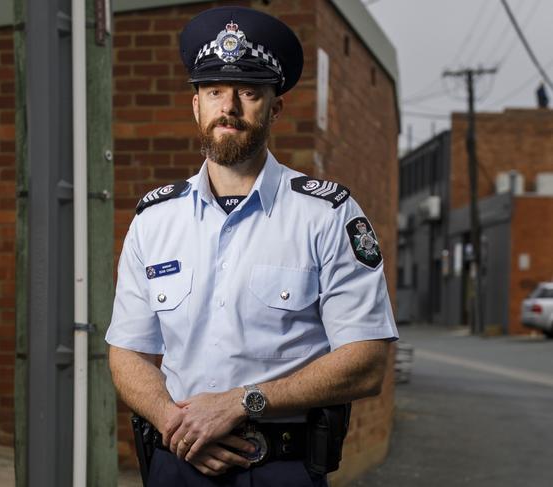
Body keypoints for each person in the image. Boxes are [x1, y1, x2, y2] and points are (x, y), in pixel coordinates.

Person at [106, 6, 398, 487]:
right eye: (215, 91)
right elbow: (127, 352)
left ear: (275, 108)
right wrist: (176, 424)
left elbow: (366, 361)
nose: (230, 108)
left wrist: (241, 401)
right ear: (196, 106)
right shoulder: (154, 220)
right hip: (176, 463)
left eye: (249, 93)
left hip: (282, 467)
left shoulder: (327, 215)